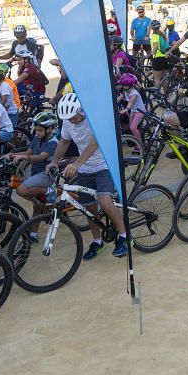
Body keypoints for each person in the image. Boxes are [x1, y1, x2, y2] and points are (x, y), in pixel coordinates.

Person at [53, 93, 129, 259]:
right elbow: (64, 142)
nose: (71, 121)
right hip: (85, 171)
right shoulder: (67, 120)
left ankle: (124, 236)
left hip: (103, 166)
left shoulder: (93, 118)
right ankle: (97, 241)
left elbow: (94, 144)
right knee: (89, 207)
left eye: (73, 117)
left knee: (105, 202)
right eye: (68, 119)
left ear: (81, 111)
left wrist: (76, 164)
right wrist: (54, 161)